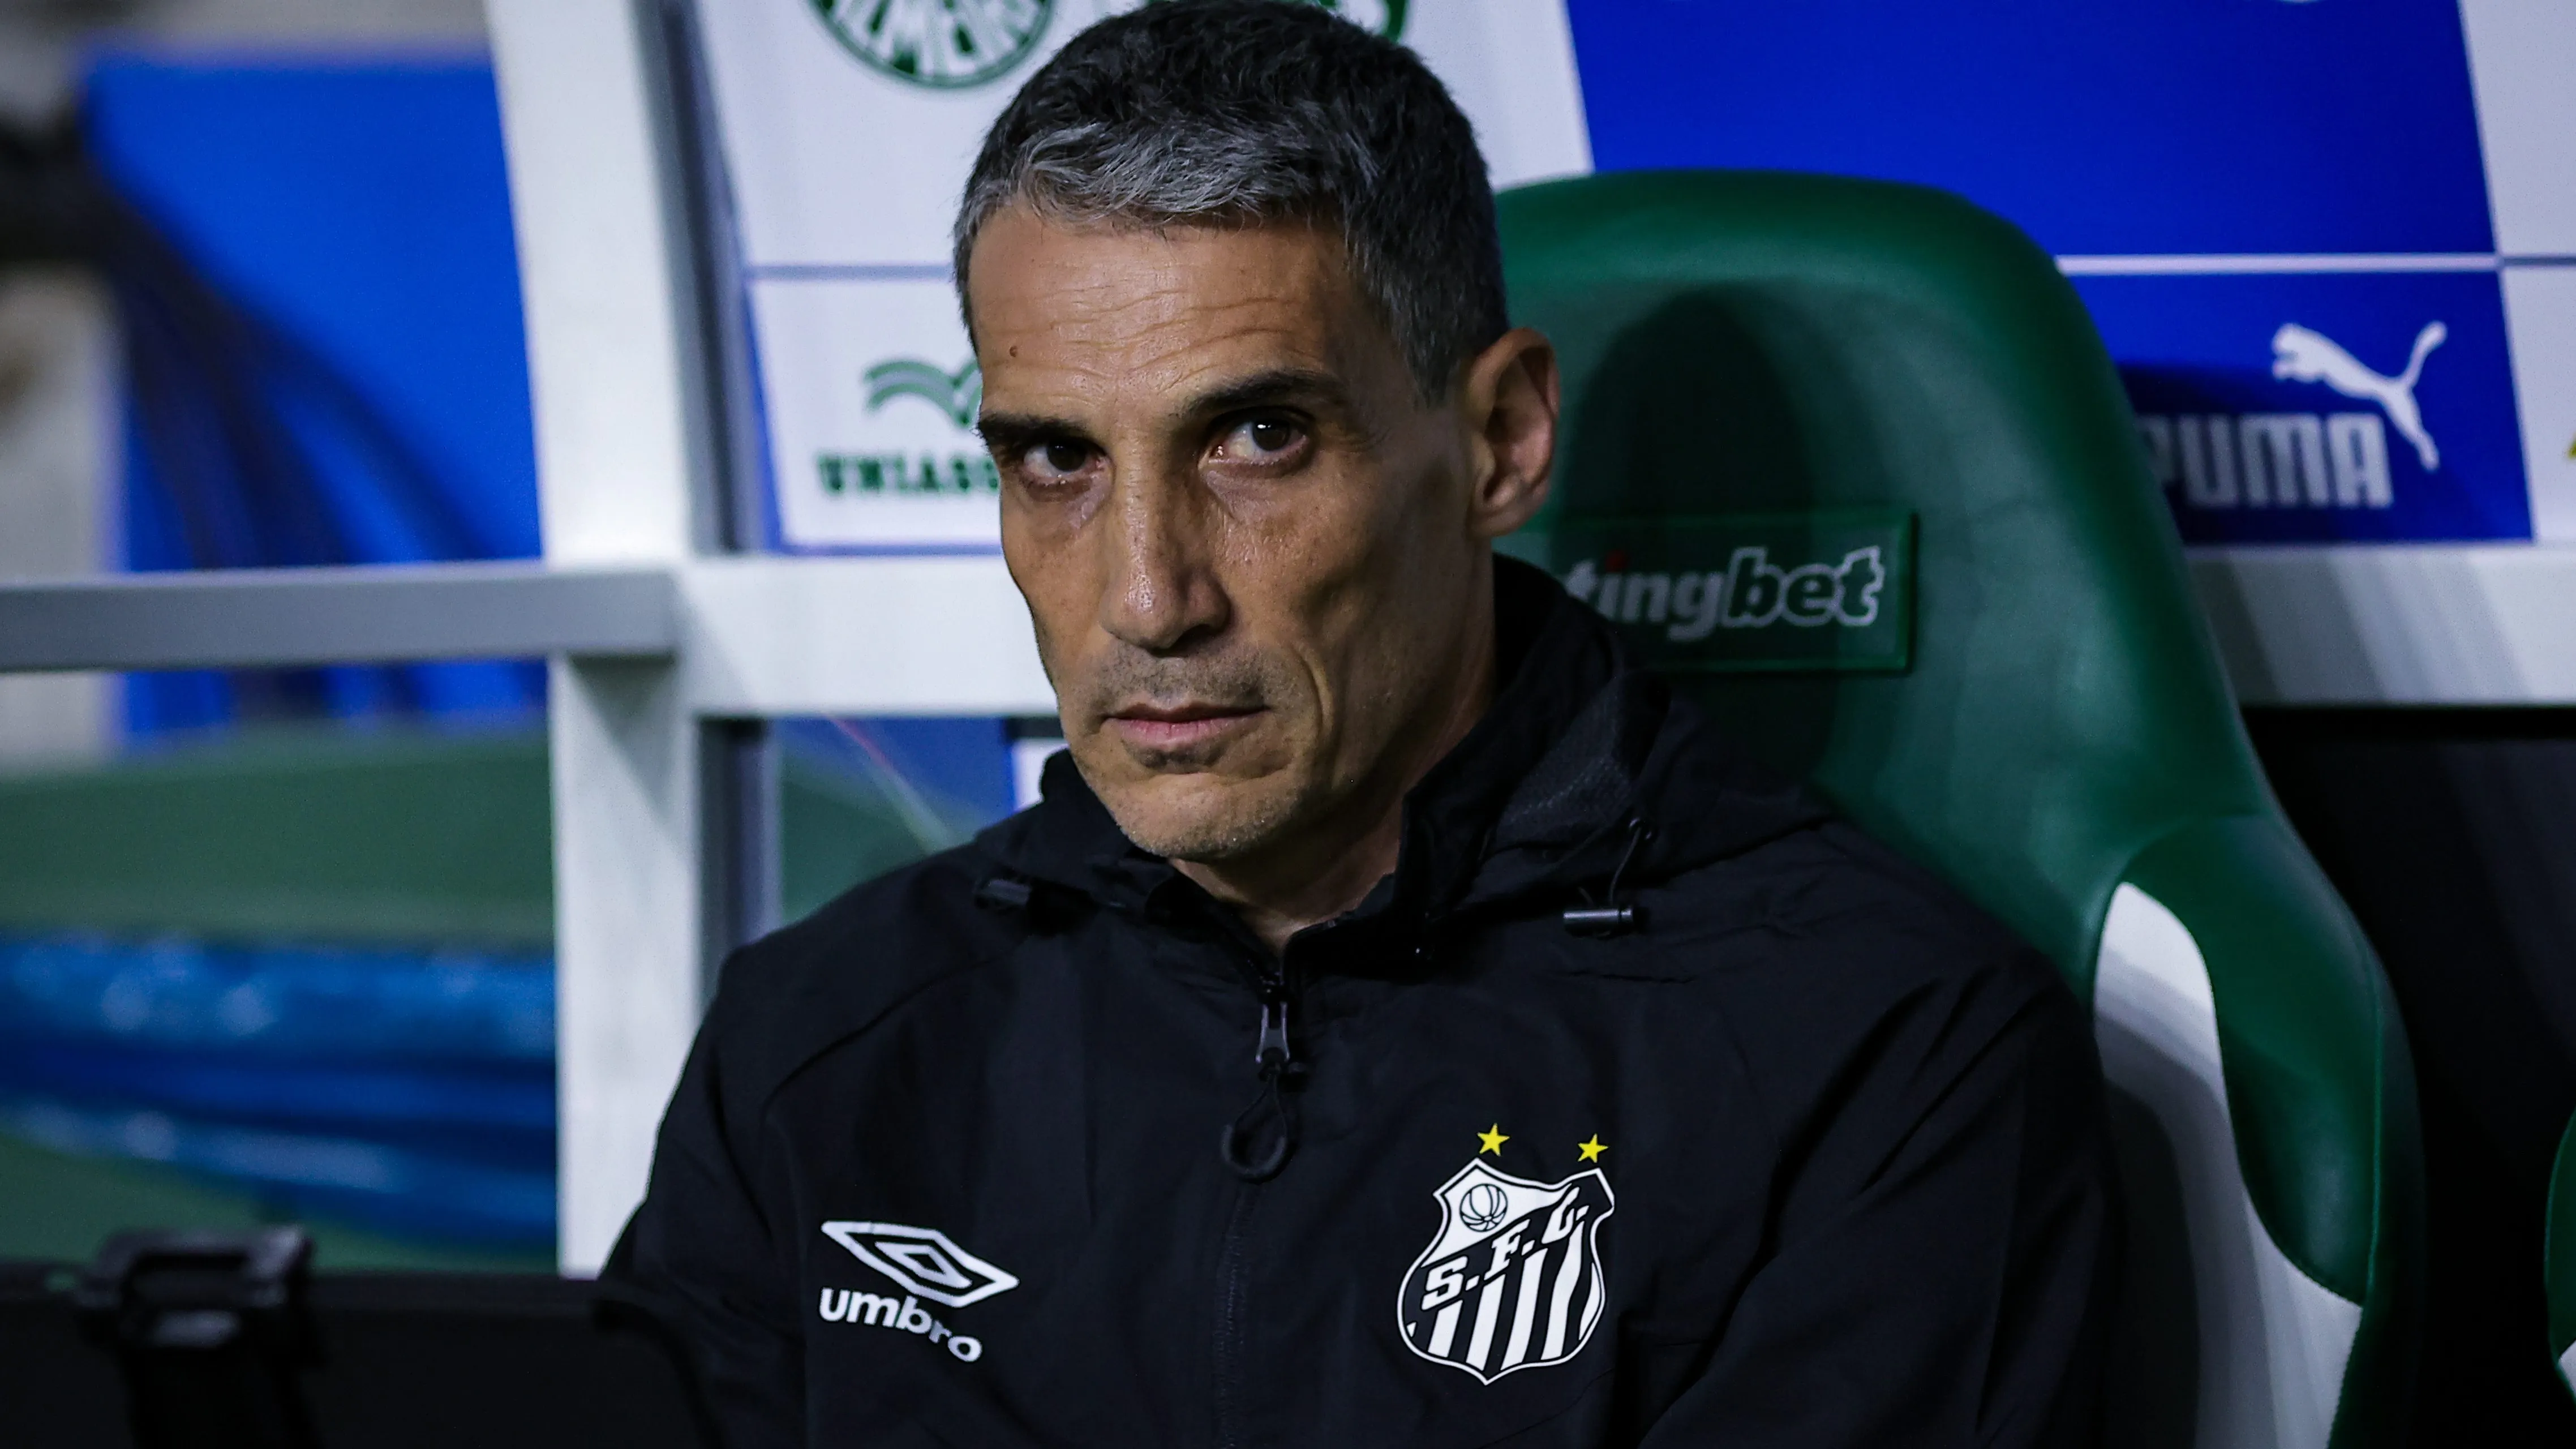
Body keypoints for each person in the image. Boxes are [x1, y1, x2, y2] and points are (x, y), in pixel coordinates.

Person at [608, 2, 2116, 1443]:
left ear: (1501, 441)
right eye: (1057, 459)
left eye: (1259, 439)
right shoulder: (821, 1043)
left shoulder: (1888, 1056)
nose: (1147, 596)